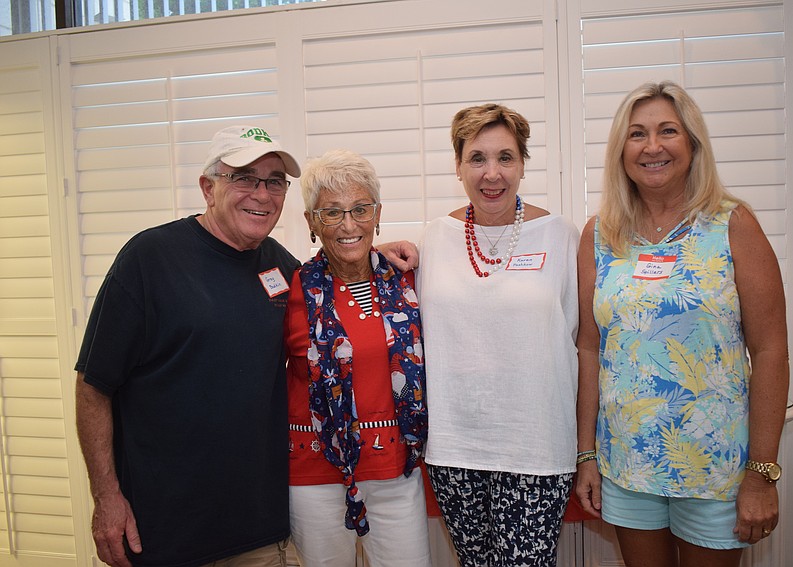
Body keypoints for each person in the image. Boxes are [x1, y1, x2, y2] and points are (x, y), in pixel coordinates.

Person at [75, 126, 417, 567]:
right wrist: (106, 497)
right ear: (208, 187)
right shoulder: (150, 258)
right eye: (244, 178)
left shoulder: (281, 267)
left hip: (259, 530)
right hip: (165, 527)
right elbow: (93, 386)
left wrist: (374, 251)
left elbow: (336, 282)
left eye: (274, 181)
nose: (262, 193)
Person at [574, 81, 790, 567]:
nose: (652, 147)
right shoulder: (599, 235)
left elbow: (772, 350)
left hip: (716, 471)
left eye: (667, 131)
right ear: (621, 151)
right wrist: (586, 454)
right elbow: (590, 348)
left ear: (692, 144)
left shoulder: (733, 225)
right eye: (637, 134)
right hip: (628, 466)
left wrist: (762, 472)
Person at [418, 103, 580, 566]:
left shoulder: (559, 236)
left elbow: (580, 341)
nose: (492, 173)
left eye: (505, 157)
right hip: (454, 446)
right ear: (458, 165)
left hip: (537, 445)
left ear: (523, 164)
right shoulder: (434, 238)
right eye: (477, 158)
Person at [284, 149, 430, 567]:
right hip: (315, 471)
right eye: (332, 213)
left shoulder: (407, 280)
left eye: (360, 209)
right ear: (312, 222)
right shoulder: (290, 290)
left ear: (377, 214)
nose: (349, 225)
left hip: (395, 470)